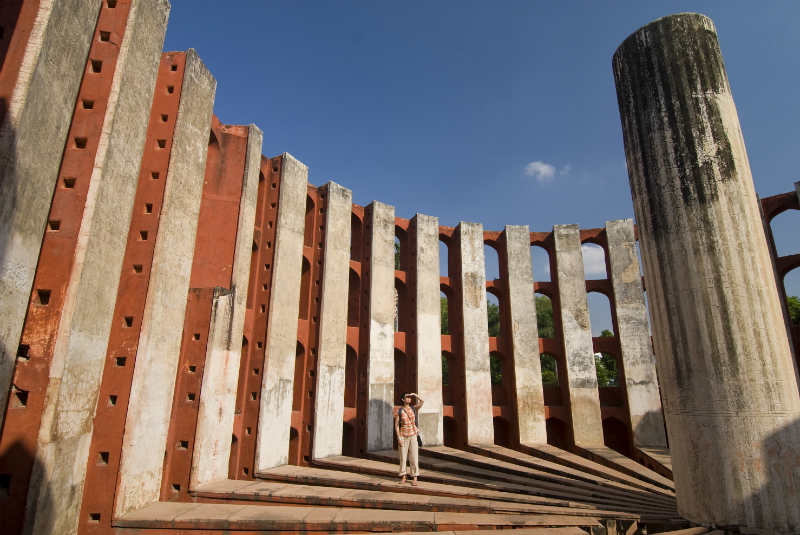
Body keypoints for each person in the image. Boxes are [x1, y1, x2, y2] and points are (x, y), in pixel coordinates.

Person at [395, 391, 424, 485]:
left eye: (410, 397)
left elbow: (422, 401)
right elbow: (396, 426)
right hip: (403, 436)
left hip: (413, 436)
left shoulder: (413, 408)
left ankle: (415, 477)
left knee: (414, 457)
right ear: (402, 399)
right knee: (403, 457)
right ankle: (403, 476)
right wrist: (399, 438)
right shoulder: (399, 411)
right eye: (407, 397)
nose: (409, 399)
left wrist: (414, 395)